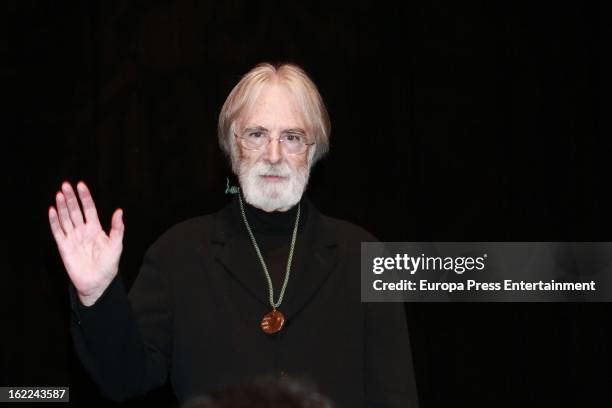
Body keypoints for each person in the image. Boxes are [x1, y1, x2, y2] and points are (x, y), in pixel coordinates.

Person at [48, 63, 419, 407]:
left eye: (291, 137)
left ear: (313, 150)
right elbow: (124, 379)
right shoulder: (178, 255)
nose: (273, 154)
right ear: (232, 144)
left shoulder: (366, 255)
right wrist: (97, 294)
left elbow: (396, 397)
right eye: (257, 134)